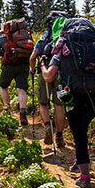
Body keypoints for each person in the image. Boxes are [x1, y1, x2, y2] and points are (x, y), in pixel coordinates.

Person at [42, 18, 95, 188]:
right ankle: (79, 160)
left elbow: (48, 76)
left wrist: (42, 64)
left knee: (79, 133)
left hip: (73, 93)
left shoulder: (62, 48)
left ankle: (84, 176)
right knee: (82, 129)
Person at [30, 11, 69, 154]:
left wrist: (33, 69)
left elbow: (33, 56)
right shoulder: (65, 38)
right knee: (59, 105)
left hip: (44, 72)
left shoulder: (43, 39)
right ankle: (59, 135)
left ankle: (47, 126)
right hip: (61, 73)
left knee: (43, 103)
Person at [0, 19, 32, 126]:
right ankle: (22, 112)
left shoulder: (1, 38)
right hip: (23, 64)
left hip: (8, 65)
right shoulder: (24, 37)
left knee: (3, 86)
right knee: (21, 89)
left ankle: (7, 109)